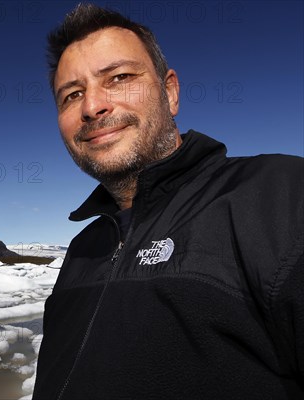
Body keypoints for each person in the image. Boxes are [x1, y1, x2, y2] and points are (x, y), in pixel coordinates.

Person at [32, 3, 303, 399]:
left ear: (170, 92)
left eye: (119, 77)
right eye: (72, 95)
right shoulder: (84, 248)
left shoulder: (281, 198)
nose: (92, 107)